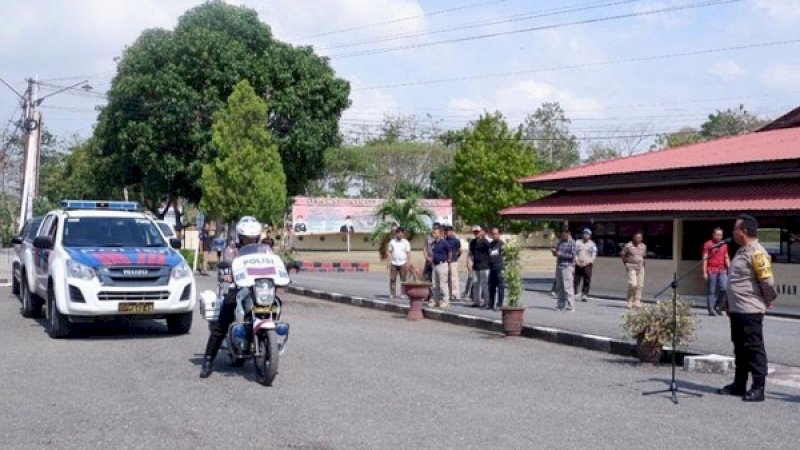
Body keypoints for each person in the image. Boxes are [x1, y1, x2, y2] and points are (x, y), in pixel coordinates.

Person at [717, 215, 778, 402]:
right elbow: (735, 282)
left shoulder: (757, 253)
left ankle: (758, 388)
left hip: (750, 309)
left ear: (743, 231)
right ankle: (739, 384)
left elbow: (767, 282)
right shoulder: (741, 251)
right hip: (736, 309)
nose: (733, 232)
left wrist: (767, 301)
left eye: (735, 228)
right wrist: (727, 304)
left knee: (754, 348)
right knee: (740, 349)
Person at [200, 216, 268, 378]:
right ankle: (208, 360)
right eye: (246, 238)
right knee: (223, 319)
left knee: (273, 305)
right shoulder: (231, 250)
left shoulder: (264, 250)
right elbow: (226, 266)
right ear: (240, 237)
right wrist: (226, 274)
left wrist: (285, 267)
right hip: (238, 287)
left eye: (253, 238)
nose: (250, 241)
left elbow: (273, 262)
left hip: (258, 287)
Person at [702, 227, 730, 316]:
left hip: (722, 269)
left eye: (720, 235)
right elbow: (704, 259)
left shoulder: (724, 245)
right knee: (712, 290)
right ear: (713, 235)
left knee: (724, 288)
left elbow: (726, 257)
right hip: (711, 269)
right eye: (717, 234)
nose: (719, 237)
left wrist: (730, 268)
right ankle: (711, 309)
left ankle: (718, 306)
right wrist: (704, 272)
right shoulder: (708, 244)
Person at [551, 227, 576, 311]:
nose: (562, 236)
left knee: (567, 287)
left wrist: (561, 254)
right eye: (561, 234)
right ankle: (560, 305)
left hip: (567, 266)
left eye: (564, 234)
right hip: (559, 266)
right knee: (559, 286)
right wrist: (554, 252)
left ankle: (570, 305)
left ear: (568, 233)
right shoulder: (560, 242)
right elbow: (557, 253)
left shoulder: (572, 243)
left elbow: (572, 256)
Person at [621, 232, 647, 308]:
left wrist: (643, 265)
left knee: (640, 285)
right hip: (631, 266)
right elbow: (622, 255)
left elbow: (643, 256)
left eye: (639, 238)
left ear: (642, 239)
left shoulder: (643, 246)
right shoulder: (628, 246)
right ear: (633, 237)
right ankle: (629, 300)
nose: (638, 239)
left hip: (640, 267)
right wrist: (625, 263)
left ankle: (637, 301)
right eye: (636, 237)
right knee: (633, 284)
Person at [468, 225, 491, 308]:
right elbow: (471, 254)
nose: (476, 233)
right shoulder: (473, 242)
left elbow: (490, 253)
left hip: (484, 266)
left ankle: (486, 302)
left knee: (484, 284)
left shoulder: (486, 242)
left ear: (481, 232)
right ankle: (476, 302)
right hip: (476, 266)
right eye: (475, 232)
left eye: (477, 231)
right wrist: (470, 263)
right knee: (476, 284)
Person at [574, 228, 597, 302]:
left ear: (590, 235)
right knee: (576, 279)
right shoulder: (577, 242)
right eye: (584, 233)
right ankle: (574, 293)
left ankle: (585, 294)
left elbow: (593, 255)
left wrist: (588, 262)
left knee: (587, 279)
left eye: (587, 234)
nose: (586, 235)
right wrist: (577, 261)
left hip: (587, 264)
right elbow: (574, 253)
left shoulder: (592, 244)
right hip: (578, 263)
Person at [430, 227, 452, 308]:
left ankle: (446, 301)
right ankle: (436, 301)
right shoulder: (433, 243)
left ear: (440, 233)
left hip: (442, 264)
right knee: (435, 285)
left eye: (435, 232)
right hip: (435, 265)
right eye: (433, 232)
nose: (433, 234)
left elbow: (449, 251)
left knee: (443, 284)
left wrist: (449, 259)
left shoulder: (444, 243)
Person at [388, 227, 411, 300]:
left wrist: (408, 262)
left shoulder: (406, 242)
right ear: (396, 233)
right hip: (394, 263)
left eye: (402, 233)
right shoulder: (392, 242)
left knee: (403, 279)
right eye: (400, 233)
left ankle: (403, 294)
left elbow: (408, 253)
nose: (401, 235)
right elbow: (389, 251)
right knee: (392, 279)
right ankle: (392, 294)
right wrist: (390, 261)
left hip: (403, 263)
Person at [488, 227, 506, 311]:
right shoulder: (490, 244)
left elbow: (505, 255)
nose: (494, 235)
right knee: (491, 286)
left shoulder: (501, 244)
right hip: (492, 268)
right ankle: (491, 304)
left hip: (500, 268)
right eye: (493, 234)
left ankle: (499, 304)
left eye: (496, 234)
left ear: (499, 234)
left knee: (500, 286)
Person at [444, 226, 462, 302]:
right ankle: (449, 294)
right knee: (447, 279)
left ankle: (456, 295)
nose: (447, 233)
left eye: (449, 231)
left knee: (454, 279)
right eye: (446, 232)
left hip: (453, 261)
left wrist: (455, 257)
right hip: (445, 262)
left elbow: (460, 250)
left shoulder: (456, 241)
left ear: (451, 232)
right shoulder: (444, 241)